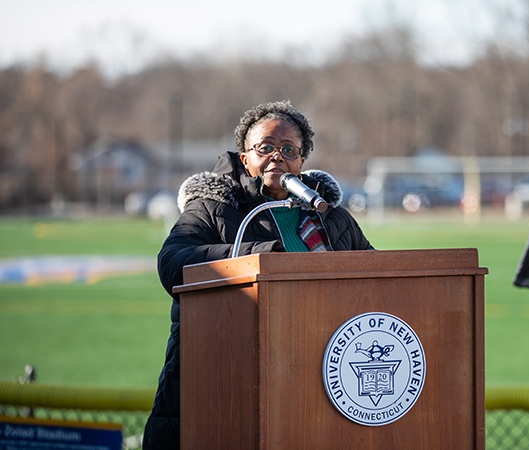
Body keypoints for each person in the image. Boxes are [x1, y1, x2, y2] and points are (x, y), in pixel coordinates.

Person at [142, 100, 374, 449]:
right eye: (265, 147)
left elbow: (378, 281)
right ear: (245, 157)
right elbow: (174, 262)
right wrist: (262, 258)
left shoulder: (333, 218)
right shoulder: (212, 206)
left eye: (288, 149)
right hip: (223, 374)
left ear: (302, 161)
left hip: (315, 374)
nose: (277, 157)